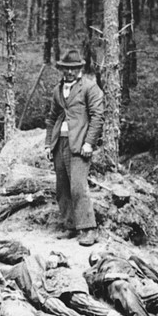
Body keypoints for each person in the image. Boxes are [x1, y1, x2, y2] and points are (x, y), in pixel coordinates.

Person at [46, 49, 103, 246]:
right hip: (59, 143)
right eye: (66, 69)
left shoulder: (89, 88)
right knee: (62, 187)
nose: (69, 72)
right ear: (62, 69)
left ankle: (88, 228)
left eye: (74, 69)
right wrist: (48, 144)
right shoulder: (57, 89)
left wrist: (89, 143)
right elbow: (52, 117)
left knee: (78, 186)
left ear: (80, 68)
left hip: (79, 145)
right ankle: (70, 225)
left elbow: (97, 117)